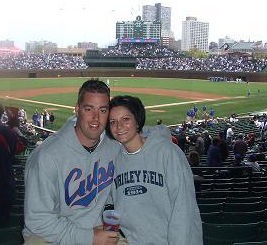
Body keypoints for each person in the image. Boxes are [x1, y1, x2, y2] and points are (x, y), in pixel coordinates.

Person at [23, 79, 121, 245]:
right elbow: (38, 220)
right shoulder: (46, 156)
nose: (95, 118)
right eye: (88, 109)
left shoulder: (114, 147)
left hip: (98, 230)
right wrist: (88, 238)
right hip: (49, 236)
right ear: (77, 109)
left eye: (103, 110)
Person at [106, 95, 202, 244]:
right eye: (113, 122)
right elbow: (110, 204)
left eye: (126, 119)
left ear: (137, 121)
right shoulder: (114, 161)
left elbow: (183, 210)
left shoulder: (168, 153)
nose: (119, 127)